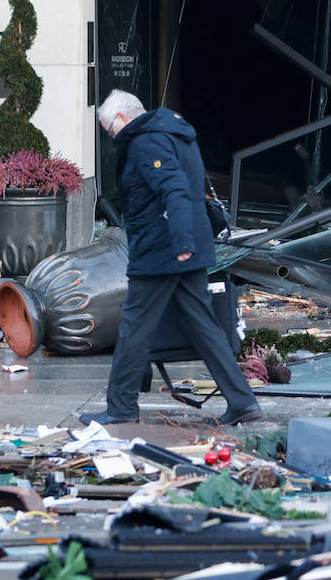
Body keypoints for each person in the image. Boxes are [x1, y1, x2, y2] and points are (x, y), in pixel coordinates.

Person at [80, 89, 263, 427]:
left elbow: (175, 189)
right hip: (184, 248)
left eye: (109, 131)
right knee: (204, 326)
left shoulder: (146, 142)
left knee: (135, 326)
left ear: (122, 118)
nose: (112, 138)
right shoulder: (174, 131)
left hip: (163, 251)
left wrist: (180, 241)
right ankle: (242, 402)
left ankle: (120, 407)